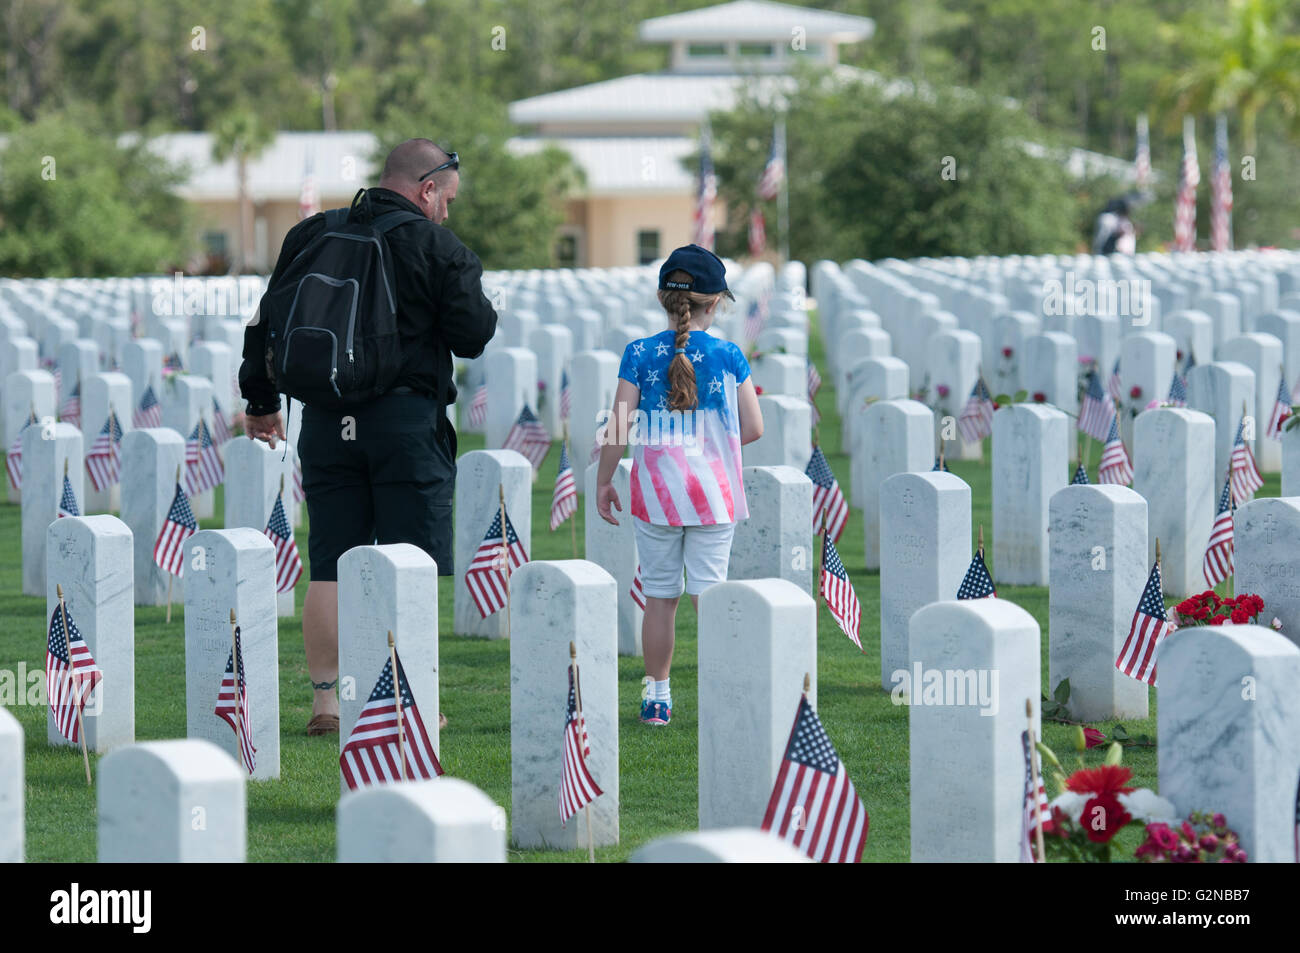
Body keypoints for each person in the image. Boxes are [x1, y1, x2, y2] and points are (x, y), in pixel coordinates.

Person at [240, 139, 497, 735]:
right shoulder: (435, 246)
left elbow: (266, 317)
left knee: (331, 561)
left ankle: (327, 701)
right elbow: (473, 334)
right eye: (446, 199)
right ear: (426, 188)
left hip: (328, 421)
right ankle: (412, 701)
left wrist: (259, 400)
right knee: (411, 563)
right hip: (406, 423)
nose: (447, 213)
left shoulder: (312, 234)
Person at [594, 244, 763, 726]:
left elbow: (620, 426)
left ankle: (657, 698)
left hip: (655, 497)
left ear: (664, 300)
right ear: (717, 303)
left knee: (660, 598)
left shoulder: (639, 353)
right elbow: (753, 428)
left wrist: (606, 480)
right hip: (714, 498)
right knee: (710, 596)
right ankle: (720, 692)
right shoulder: (729, 355)